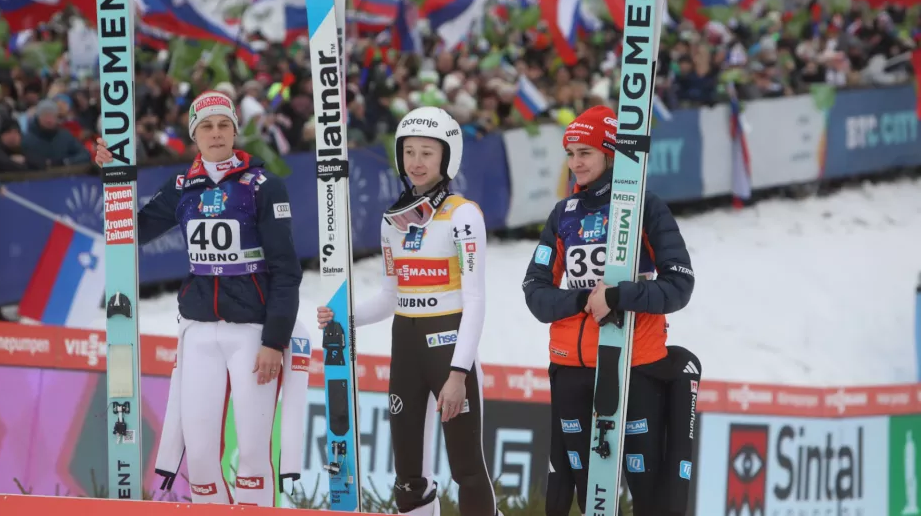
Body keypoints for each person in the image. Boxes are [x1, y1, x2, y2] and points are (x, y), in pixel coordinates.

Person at [95, 90, 302, 505]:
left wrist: (274, 340)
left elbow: (286, 269)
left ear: (235, 131)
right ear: (194, 135)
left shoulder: (263, 185)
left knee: (253, 455)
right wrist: (115, 179)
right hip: (198, 332)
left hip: (251, 333)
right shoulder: (182, 186)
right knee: (202, 457)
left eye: (224, 124)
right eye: (206, 126)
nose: (216, 133)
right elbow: (131, 231)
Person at [317, 106, 497, 516]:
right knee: (408, 479)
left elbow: (475, 300)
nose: (416, 162)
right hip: (406, 348)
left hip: (449, 350)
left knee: (467, 470)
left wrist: (458, 374)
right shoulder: (392, 221)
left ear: (447, 157)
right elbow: (389, 297)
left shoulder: (463, 214)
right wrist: (344, 317)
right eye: (409, 152)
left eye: (427, 153)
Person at [522, 105, 700, 516]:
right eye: (570, 154)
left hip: (634, 364)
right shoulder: (564, 214)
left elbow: (680, 285)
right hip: (571, 366)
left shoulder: (646, 207)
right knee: (590, 498)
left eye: (585, 152)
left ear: (610, 154)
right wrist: (583, 299)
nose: (575, 163)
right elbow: (535, 291)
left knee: (648, 495)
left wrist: (620, 296)